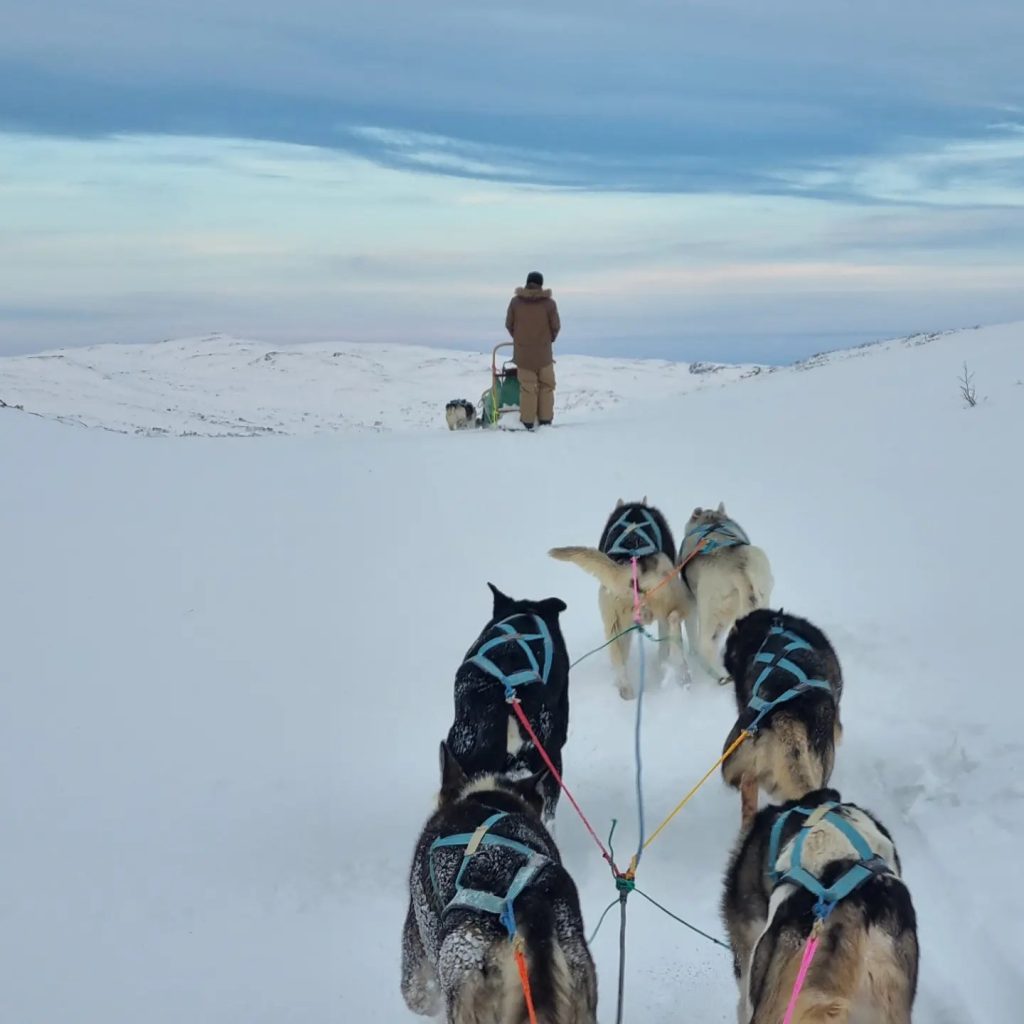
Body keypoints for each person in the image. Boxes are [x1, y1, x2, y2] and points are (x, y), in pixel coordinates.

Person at [505, 270, 560, 429]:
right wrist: (548, 340)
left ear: (527, 282)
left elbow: (509, 325)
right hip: (544, 354)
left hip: (523, 355)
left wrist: (520, 339)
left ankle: (527, 422)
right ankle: (545, 421)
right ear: (541, 284)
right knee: (546, 386)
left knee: (528, 388)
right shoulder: (549, 304)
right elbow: (555, 327)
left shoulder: (515, 302)